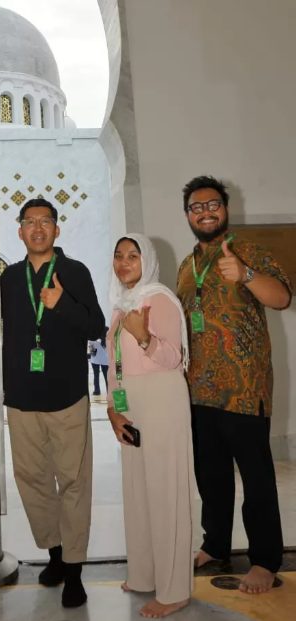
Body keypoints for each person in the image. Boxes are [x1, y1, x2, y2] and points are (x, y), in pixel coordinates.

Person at [177, 175, 292, 594]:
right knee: (211, 476)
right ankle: (216, 544)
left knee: (257, 477)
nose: (205, 212)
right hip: (199, 390)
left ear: (225, 209)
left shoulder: (250, 251)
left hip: (245, 389)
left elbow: (280, 297)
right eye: (196, 207)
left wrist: (244, 275)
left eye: (212, 205)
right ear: (188, 215)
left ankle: (264, 559)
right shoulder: (186, 266)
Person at [0, 198, 104, 608]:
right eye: (30, 222)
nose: (38, 228)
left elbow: (96, 325)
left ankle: (75, 570)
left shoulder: (75, 272)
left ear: (57, 230)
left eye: (46, 221)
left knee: (74, 482)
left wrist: (62, 304)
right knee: (33, 481)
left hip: (67, 396)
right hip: (22, 398)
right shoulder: (9, 278)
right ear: (20, 230)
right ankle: (55, 555)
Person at [107, 234, 193, 619]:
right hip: (132, 404)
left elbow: (175, 357)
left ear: (148, 261)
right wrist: (114, 410)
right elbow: (114, 368)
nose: (124, 263)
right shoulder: (120, 307)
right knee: (137, 491)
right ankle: (143, 575)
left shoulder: (159, 299)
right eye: (119, 256)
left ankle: (175, 589)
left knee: (165, 492)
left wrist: (144, 337)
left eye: (133, 256)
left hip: (162, 399)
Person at [88, 327, 108, 397]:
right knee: (106, 376)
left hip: (95, 360)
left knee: (96, 375)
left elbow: (93, 353)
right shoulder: (107, 339)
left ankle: (97, 391)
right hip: (105, 360)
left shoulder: (92, 339)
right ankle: (109, 390)